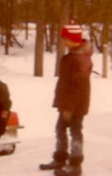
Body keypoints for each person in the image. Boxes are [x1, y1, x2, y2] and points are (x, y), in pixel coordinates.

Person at [39, 21, 93, 176]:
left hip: (75, 106)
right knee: (60, 129)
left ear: (73, 39)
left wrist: (69, 108)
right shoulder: (71, 56)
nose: (62, 41)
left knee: (75, 131)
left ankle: (75, 165)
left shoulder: (80, 60)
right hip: (67, 104)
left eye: (65, 38)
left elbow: (78, 88)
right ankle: (60, 159)